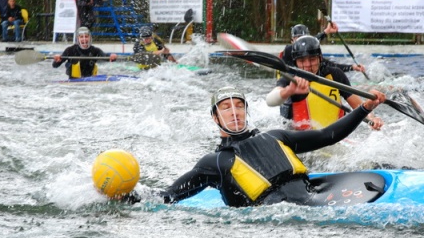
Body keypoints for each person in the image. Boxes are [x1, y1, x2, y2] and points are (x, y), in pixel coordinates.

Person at [161, 86, 386, 207]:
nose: (234, 112)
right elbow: (168, 195)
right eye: (226, 108)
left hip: (312, 202)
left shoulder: (275, 137)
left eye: (239, 106)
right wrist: (130, 195)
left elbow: (328, 135)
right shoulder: (215, 163)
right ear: (215, 118)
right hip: (273, 222)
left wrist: (364, 108)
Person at [267, 36, 384, 131]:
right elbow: (270, 100)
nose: (307, 65)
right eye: (302, 60)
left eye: (312, 59)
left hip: (333, 137)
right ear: (295, 62)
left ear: (320, 58)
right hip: (299, 139)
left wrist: (371, 119)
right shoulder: (290, 79)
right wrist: (289, 91)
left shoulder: (334, 74)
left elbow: (357, 104)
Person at [281, 23, 366, 74]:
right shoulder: (288, 50)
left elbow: (329, 65)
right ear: (292, 40)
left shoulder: (313, 55)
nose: (303, 41)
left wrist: (352, 67)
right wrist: (325, 32)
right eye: (298, 38)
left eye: (305, 37)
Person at [52, 27, 117, 79]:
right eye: (81, 37)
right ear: (78, 38)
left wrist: (111, 56)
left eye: (86, 36)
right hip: (73, 82)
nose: (84, 39)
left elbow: (106, 57)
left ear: (90, 38)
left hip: (89, 81)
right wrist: (57, 60)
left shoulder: (94, 50)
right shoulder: (70, 50)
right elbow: (55, 65)